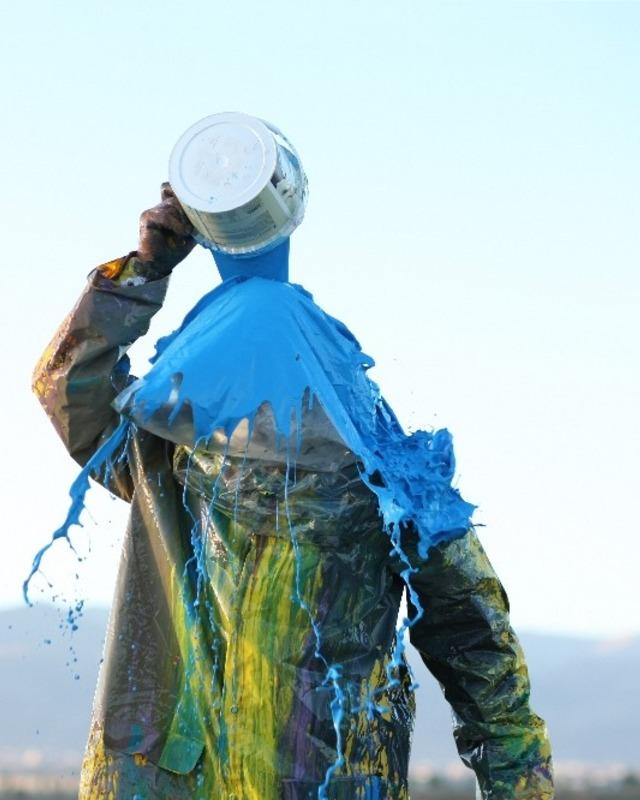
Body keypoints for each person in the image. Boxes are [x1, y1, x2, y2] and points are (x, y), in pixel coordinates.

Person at [31, 183, 553, 799]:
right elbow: (479, 652)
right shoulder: (396, 486)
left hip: (166, 778)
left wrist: (144, 269)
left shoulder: (164, 463)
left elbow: (68, 380)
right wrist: (519, 784)